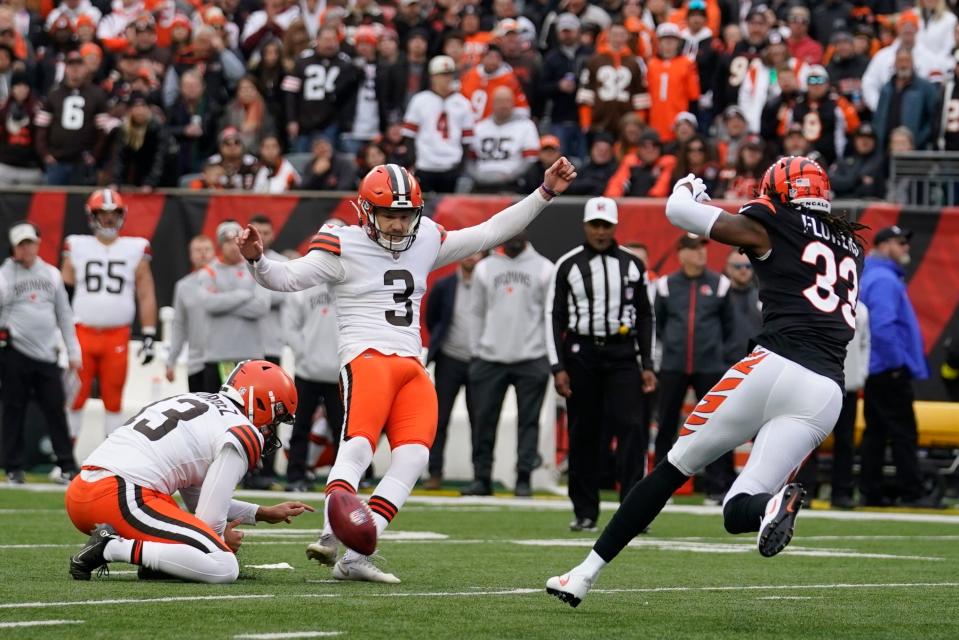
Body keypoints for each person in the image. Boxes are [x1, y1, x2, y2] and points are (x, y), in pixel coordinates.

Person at [547, 156, 864, 607]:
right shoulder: (852, 245)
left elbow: (680, 215)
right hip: (825, 391)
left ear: (778, 193)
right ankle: (771, 507)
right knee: (739, 511)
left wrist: (689, 190)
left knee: (672, 468)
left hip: (774, 365)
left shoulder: (775, 220)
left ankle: (582, 575)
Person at [239, 158, 577, 582]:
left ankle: (358, 553)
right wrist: (258, 261)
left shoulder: (427, 238)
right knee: (360, 442)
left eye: (405, 215)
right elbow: (285, 279)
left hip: (411, 362)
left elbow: (491, 230)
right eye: (389, 215)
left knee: (415, 455)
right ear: (365, 211)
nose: (399, 226)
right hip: (366, 356)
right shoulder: (342, 244)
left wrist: (543, 193)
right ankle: (330, 534)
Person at [64, 360, 314, 583]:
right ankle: (110, 547)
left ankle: (158, 562)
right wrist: (219, 540)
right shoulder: (242, 431)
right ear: (260, 403)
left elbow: (198, 498)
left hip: (84, 491)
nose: (271, 429)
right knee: (223, 565)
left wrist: (260, 513)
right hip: (121, 495)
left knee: (199, 545)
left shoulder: (201, 403)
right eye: (276, 418)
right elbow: (209, 517)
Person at [546, 198, 656, 531]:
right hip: (581, 354)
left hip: (622, 354)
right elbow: (554, 317)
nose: (600, 231)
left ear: (615, 227)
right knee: (584, 432)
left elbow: (646, 315)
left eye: (606, 225)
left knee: (632, 429)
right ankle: (584, 511)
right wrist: (557, 366)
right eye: (595, 224)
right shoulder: (567, 265)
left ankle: (632, 511)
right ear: (585, 226)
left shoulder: (633, 265)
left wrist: (647, 362)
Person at [62, 190, 158, 443]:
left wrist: (149, 333)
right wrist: (58, 331)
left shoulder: (135, 247)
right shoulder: (77, 245)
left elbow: (146, 292)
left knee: (113, 397)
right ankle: (65, 458)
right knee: (75, 395)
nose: (107, 220)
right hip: (81, 332)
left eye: (112, 214)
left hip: (117, 334)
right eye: (102, 215)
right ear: (91, 216)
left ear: (122, 215)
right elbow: (63, 294)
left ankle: (110, 460)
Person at [463, 232, 552, 497]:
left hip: (531, 356)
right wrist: (477, 350)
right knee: (483, 421)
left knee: (529, 421)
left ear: (527, 233)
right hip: (490, 357)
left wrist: (547, 353)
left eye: (519, 231)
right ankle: (481, 477)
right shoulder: (485, 267)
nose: (513, 237)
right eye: (509, 232)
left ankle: (523, 477)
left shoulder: (545, 268)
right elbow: (475, 311)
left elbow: (550, 316)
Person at [859, 226, 938, 508]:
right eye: (900, 242)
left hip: (876, 367)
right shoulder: (884, 279)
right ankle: (912, 491)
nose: (906, 248)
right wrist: (895, 363)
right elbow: (883, 326)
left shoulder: (875, 275)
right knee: (903, 431)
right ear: (884, 245)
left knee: (877, 432)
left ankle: (872, 491)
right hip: (887, 368)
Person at [653, 233, 735, 503]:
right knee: (666, 426)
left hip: (709, 365)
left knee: (715, 426)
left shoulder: (721, 284)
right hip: (673, 366)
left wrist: (717, 355)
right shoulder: (665, 285)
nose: (701, 252)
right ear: (681, 253)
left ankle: (718, 486)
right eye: (694, 248)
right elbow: (660, 326)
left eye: (703, 247)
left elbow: (729, 327)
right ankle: (659, 488)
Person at [0, 222, 80, 485]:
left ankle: (67, 465)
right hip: (16, 351)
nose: (27, 249)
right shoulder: (5, 274)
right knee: (14, 409)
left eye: (30, 243)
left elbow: (65, 315)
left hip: (47, 354)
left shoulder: (51, 274)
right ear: (14, 248)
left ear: (37, 243)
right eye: (21, 244)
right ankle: (13, 467)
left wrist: (73, 350)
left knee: (55, 410)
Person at [423, 251, 486, 490]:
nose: (471, 257)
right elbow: (432, 318)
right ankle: (435, 472)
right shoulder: (444, 285)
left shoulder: (487, 282)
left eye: (476, 252)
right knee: (439, 419)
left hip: (480, 361)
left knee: (479, 420)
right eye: (467, 252)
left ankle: (480, 475)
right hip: (449, 359)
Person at [282, 249, 342, 492]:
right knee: (300, 425)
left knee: (344, 429)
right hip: (307, 370)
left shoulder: (353, 282)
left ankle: (343, 478)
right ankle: (295, 476)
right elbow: (290, 326)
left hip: (340, 371)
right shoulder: (303, 285)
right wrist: (303, 354)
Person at [197, 221, 271, 395]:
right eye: (227, 242)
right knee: (217, 412)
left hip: (250, 357)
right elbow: (209, 304)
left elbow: (261, 307)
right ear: (220, 245)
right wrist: (243, 295)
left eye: (235, 242)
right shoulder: (208, 272)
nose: (232, 247)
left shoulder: (256, 268)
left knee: (251, 410)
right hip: (218, 357)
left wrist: (224, 303)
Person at [401, 55, 475, 193]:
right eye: (442, 75)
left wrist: (460, 167)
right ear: (432, 77)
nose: (446, 79)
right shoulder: (420, 100)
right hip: (425, 165)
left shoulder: (463, 103)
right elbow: (409, 136)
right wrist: (414, 162)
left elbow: (467, 140)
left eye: (449, 75)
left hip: (451, 165)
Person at [166, 235, 216, 393]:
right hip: (196, 362)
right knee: (200, 413)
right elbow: (179, 325)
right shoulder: (183, 286)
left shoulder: (225, 278)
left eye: (207, 249)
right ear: (190, 255)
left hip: (222, 360)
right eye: (198, 250)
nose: (202, 254)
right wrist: (171, 360)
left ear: (214, 252)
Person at [469, 85, 540, 193]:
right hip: (480, 183)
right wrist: (477, 175)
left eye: (507, 101)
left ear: (513, 103)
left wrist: (510, 176)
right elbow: (469, 158)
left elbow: (530, 160)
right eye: (499, 101)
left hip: (511, 184)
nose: (503, 105)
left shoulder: (526, 126)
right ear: (491, 103)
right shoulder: (479, 127)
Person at [723, 249, 762, 365]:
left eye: (748, 266)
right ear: (728, 268)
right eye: (738, 266)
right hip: (726, 365)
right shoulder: (720, 297)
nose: (743, 270)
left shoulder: (762, 297)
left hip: (757, 364)